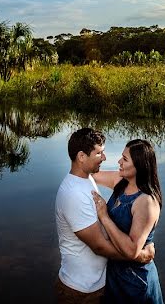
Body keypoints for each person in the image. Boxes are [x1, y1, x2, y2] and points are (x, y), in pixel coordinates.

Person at [55, 128, 155, 304]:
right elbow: (99, 247)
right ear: (81, 156)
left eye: (124, 158)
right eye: (99, 153)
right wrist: (140, 255)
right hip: (81, 290)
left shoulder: (88, 178)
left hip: (107, 283)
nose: (106, 158)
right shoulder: (74, 193)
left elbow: (87, 171)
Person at [91, 139, 164, 303]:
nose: (118, 161)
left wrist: (104, 216)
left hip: (136, 282)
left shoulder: (146, 202)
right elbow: (89, 173)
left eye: (124, 159)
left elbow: (131, 251)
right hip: (114, 276)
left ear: (139, 165)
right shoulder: (120, 181)